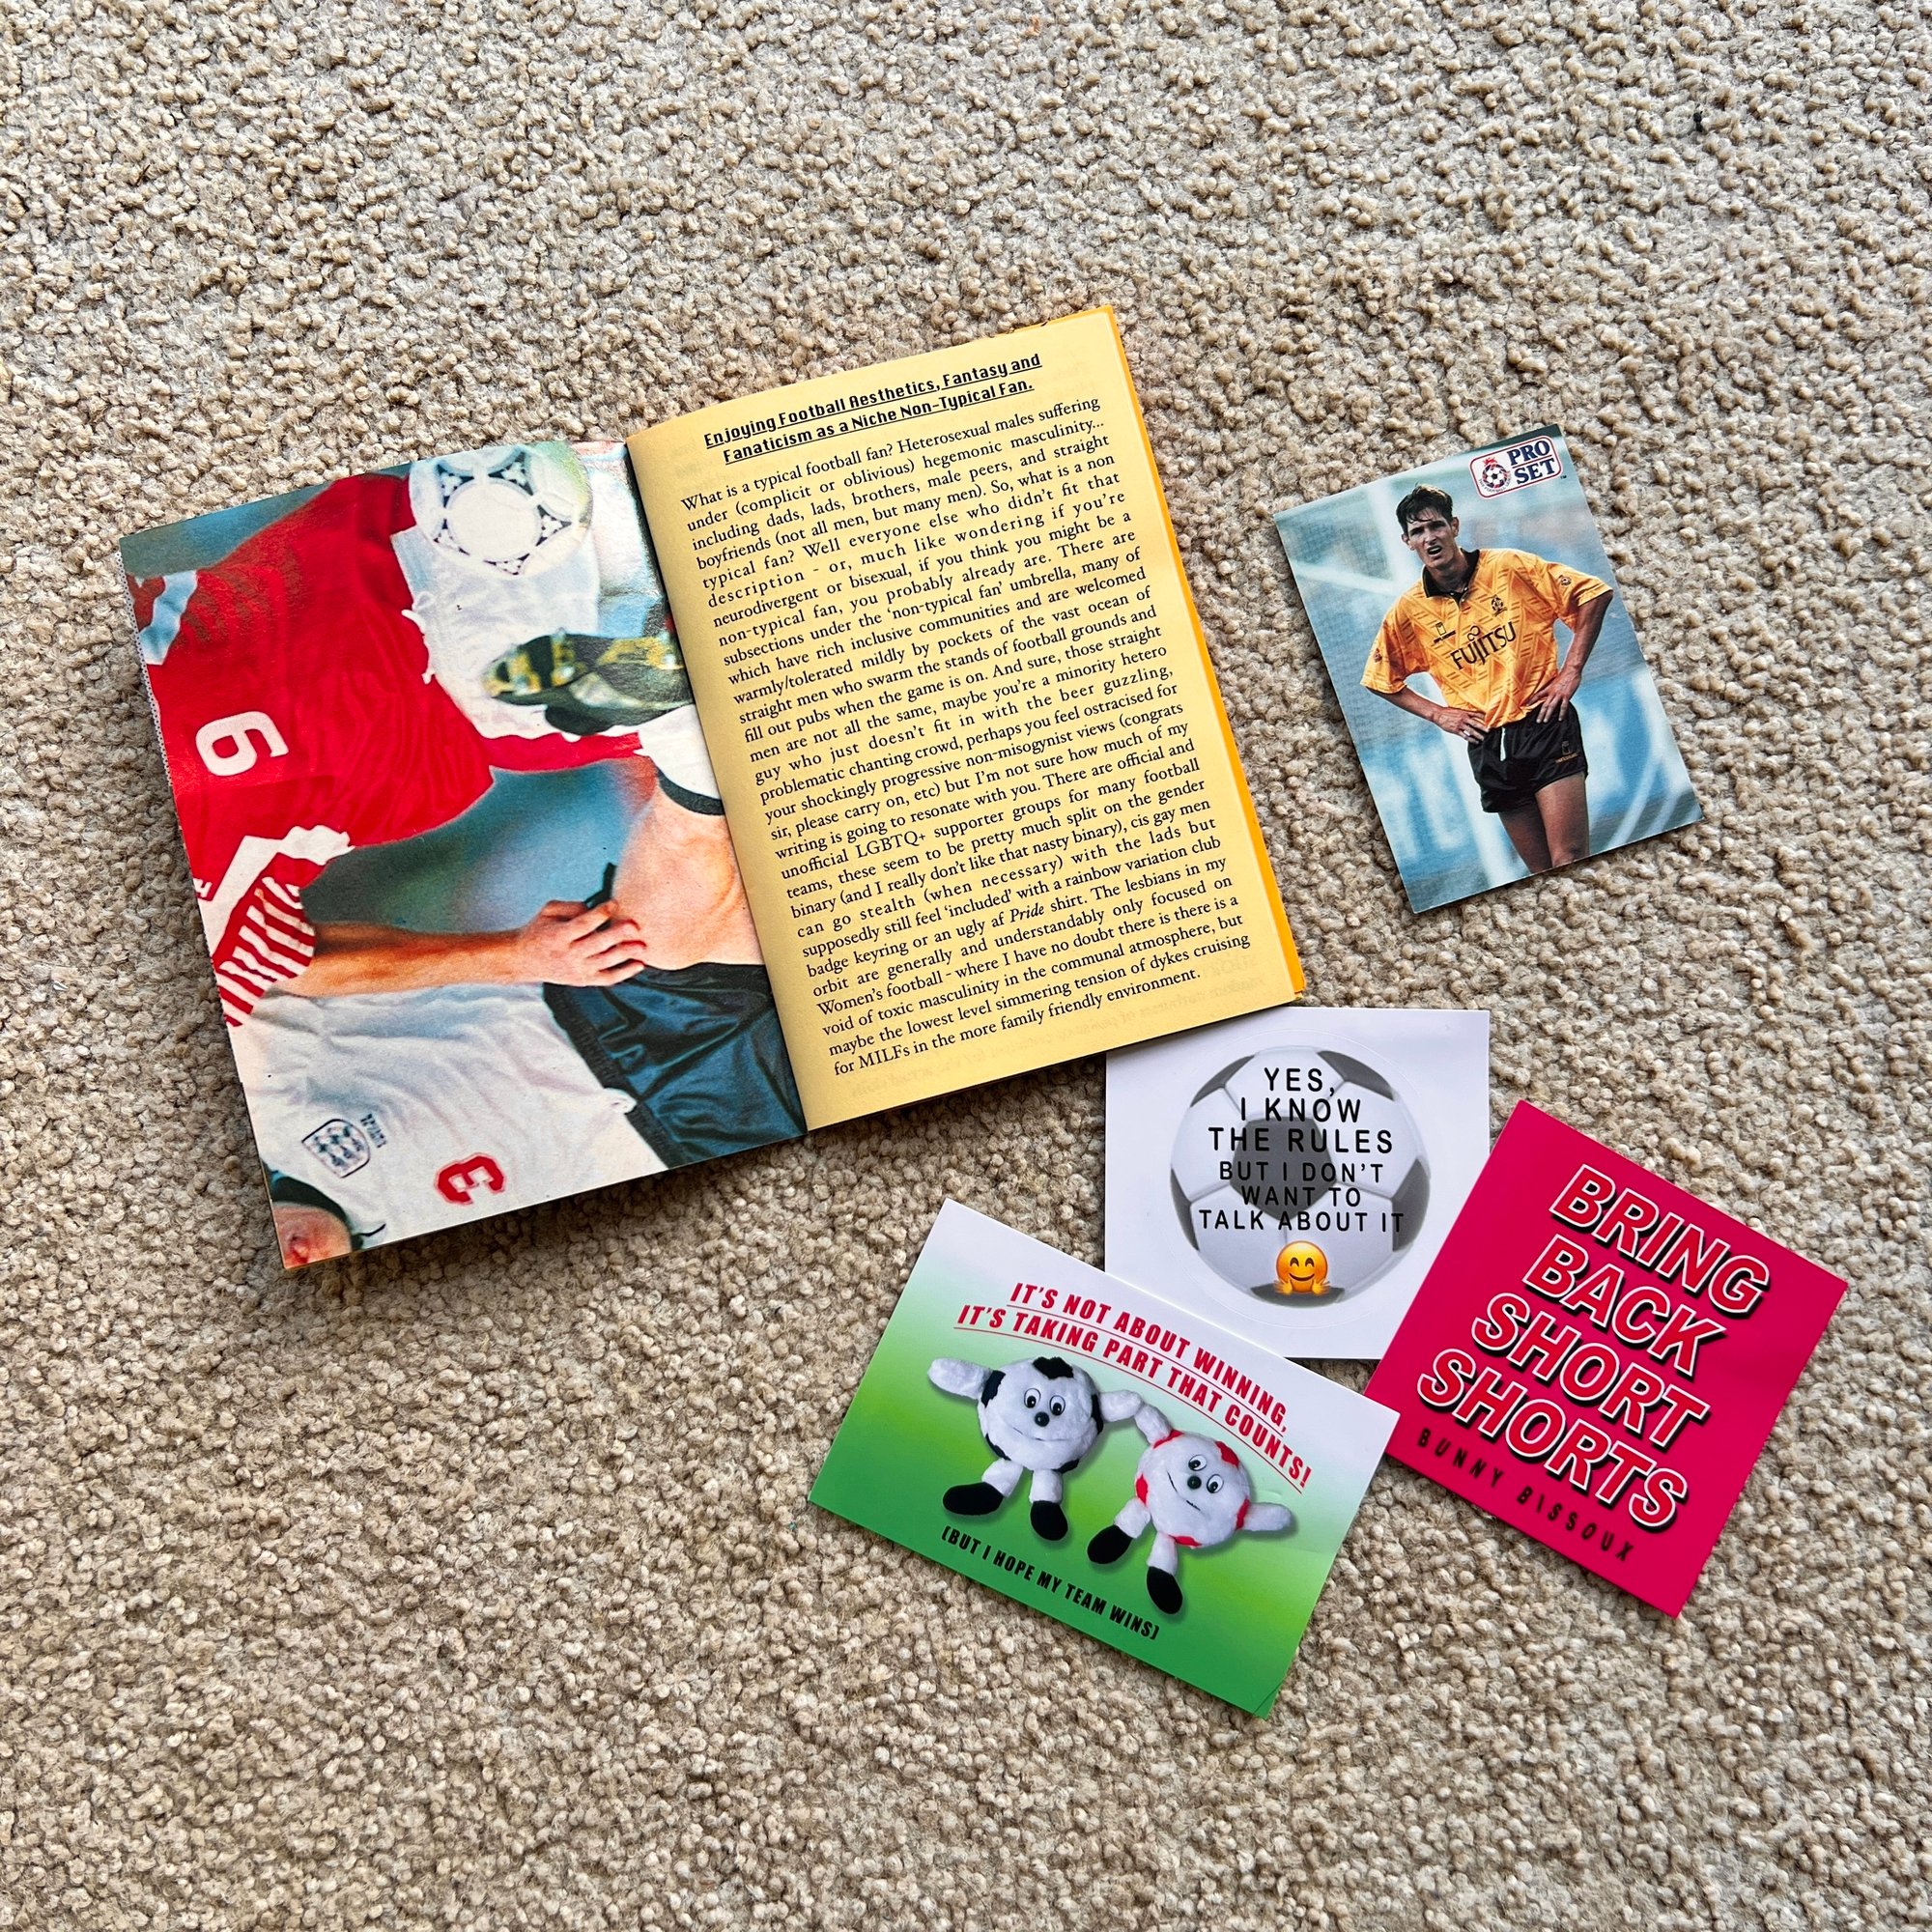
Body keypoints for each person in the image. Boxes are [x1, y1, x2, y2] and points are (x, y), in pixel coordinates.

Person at [129, 443, 718, 1025]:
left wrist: (516, 957)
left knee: (705, 677)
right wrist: (518, 957)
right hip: (426, 578)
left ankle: (664, 701)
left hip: (453, 647)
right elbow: (289, 963)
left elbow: (289, 965)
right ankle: (657, 678)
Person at [241, 764, 803, 1267]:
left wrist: (516, 954)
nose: (287, 1259)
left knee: (693, 832)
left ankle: (683, 720)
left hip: (601, 1007)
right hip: (708, 1139)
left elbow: (280, 960)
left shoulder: (270, 1106)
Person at [1362, 486, 1614, 875]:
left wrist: (1571, 671)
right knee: (1541, 872)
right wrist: (1438, 714)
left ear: (1454, 526)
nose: (1429, 538)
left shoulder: (1509, 567)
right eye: (1418, 532)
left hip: (1544, 723)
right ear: (1407, 542)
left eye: (1436, 526)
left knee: (1569, 858)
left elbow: (1593, 594)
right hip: (1487, 744)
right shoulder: (1409, 611)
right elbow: (1379, 678)